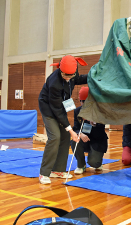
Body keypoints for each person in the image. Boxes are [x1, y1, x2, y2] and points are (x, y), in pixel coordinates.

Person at [38, 55, 88, 184]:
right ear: (60, 70)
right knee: (55, 137)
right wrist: (72, 131)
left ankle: (58, 170)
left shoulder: (72, 73)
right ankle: (44, 173)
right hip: (49, 109)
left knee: (65, 136)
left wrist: (94, 76)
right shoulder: (54, 83)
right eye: (65, 75)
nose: (68, 78)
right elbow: (58, 111)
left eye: (70, 76)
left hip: (60, 107)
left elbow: (78, 79)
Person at [71, 87, 108, 174]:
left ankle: (97, 161)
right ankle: (81, 165)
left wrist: (94, 123)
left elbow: (101, 128)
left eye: (86, 101)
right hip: (84, 139)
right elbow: (76, 128)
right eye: (82, 101)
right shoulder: (77, 111)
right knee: (74, 141)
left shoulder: (100, 111)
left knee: (94, 163)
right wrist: (80, 134)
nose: (83, 103)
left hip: (97, 140)